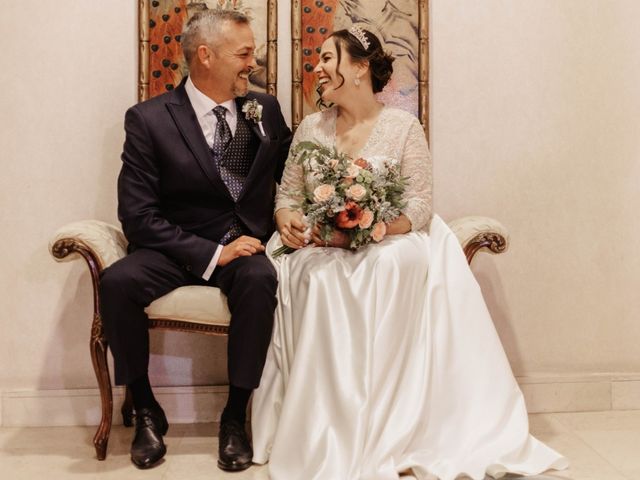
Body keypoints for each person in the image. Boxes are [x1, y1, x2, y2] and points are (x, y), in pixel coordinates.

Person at [251, 27, 569, 479]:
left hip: (389, 239)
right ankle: (324, 425)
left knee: (388, 264)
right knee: (315, 276)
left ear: (359, 67)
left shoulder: (403, 127)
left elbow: (419, 205)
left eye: (327, 58)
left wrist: (371, 227)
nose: (317, 68)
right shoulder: (311, 128)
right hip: (322, 245)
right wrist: (288, 219)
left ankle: (389, 418)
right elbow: (288, 195)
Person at [98, 9, 292, 471]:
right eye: (244, 53)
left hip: (246, 247)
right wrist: (211, 253)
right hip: (175, 248)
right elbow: (137, 216)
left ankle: (233, 417)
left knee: (259, 280)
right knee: (117, 283)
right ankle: (145, 408)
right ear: (204, 56)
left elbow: (291, 177)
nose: (253, 63)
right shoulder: (148, 120)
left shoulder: (264, 109)